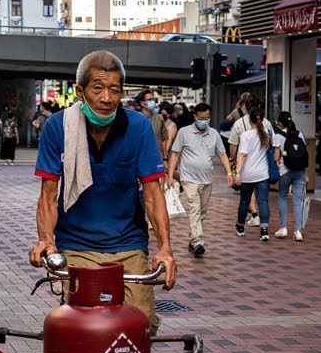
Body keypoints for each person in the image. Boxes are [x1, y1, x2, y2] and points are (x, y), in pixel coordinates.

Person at [29, 50, 177, 331]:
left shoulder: (139, 127)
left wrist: (166, 249)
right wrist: (45, 239)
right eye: (97, 88)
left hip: (128, 244)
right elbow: (49, 194)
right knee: (82, 326)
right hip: (76, 245)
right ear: (80, 92)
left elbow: (153, 195)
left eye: (114, 90)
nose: (107, 98)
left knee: (140, 324)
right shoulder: (58, 127)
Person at [169, 103, 232, 257]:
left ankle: (193, 240)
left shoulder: (214, 134)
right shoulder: (184, 132)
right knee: (195, 208)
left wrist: (229, 173)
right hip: (189, 178)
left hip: (207, 179)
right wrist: (170, 176)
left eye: (207, 118)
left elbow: (222, 154)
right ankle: (198, 241)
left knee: (202, 211)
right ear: (195, 117)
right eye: (201, 118)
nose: (204, 121)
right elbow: (175, 154)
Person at [227, 92, 272, 227]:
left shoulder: (240, 123)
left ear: (245, 107)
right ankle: (262, 225)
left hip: (245, 168)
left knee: (245, 197)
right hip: (263, 169)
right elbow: (273, 145)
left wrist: (232, 160)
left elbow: (233, 145)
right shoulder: (267, 123)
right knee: (263, 199)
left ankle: (250, 218)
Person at [234, 105, 277, 242]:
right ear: (262, 119)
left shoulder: (246, 135)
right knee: (263, 201)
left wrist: (238, 172)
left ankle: (240, 227)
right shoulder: (269, 133)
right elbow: (275, 151)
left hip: (247, 175)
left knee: (245, 201)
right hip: (263, 174)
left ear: (249, 120)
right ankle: (264, 230)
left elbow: (243, 155)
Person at [274, 111, 309, 242]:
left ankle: (283, 228)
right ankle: (298, 231)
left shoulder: (278, 136)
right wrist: (306, 173)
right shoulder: (299, 134)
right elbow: (304, 154)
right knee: (297, 200)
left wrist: (277, 165)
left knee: (283, 197)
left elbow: (276, 157)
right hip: (300, 170)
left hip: (285, 171)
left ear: (279, 123)